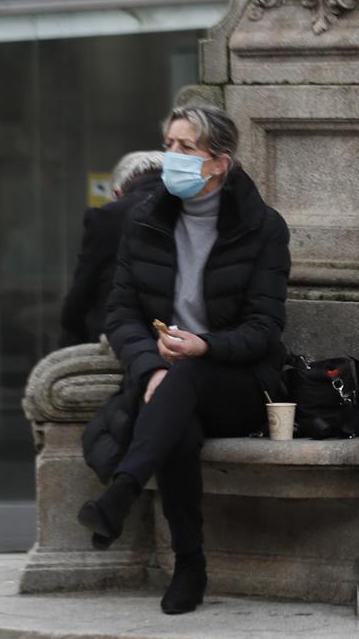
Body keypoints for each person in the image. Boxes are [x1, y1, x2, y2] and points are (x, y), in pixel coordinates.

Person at [78, 105, 290, 615]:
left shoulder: (262, 227)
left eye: (185, 148)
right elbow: (121, 312)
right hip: (165, 380)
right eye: (169, 145)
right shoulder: (144, 219)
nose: (170, 156)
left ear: (219, 163)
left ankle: (122, 493)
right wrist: (150, 367)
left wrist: (204, 346)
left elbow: (265, 330)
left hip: (239, 381)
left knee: (188, 375)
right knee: (178, 424)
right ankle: (189, 565)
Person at [59, 151, 164, 347]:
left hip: (120, 340)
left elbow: (82, 290)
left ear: (116, 193)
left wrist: (71, 330)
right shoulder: (193, 208)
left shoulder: (109, 216)